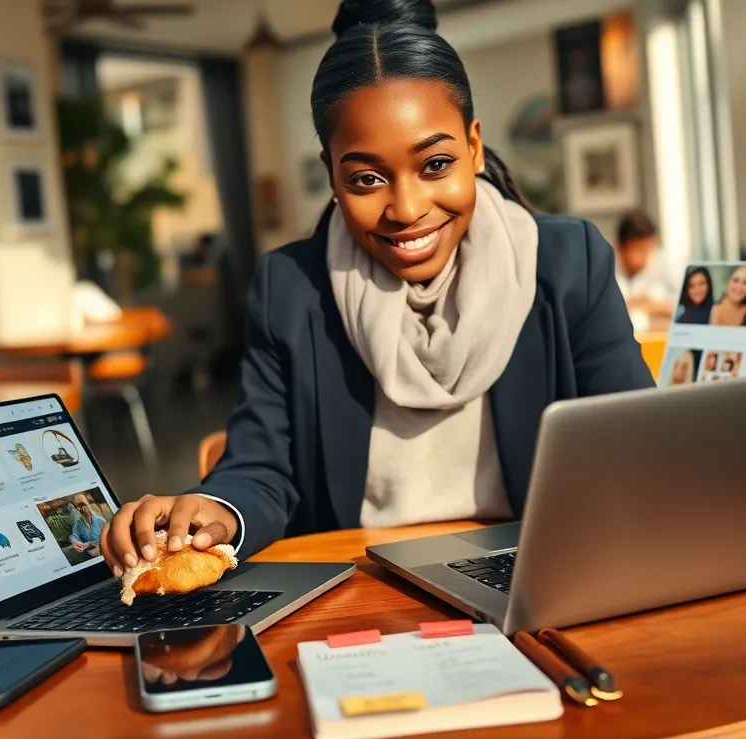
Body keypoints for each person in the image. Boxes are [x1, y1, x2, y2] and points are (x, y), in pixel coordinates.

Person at [99, 0, 653, 571]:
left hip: (543, 576)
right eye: (366, 178)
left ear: (475, 147)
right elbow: (261, 466)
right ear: (332, 174)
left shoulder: (567, 263)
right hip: (362, 589)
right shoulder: (292, 288)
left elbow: (638, 444)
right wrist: (216, 513)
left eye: (436, 164)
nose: (407, 209)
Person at [613, 211, 680, 330]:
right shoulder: (605, 269)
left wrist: (651, 305)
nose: (646, 255)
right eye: (639, 249)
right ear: (620, 247)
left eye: (649, 248)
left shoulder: (664, 263)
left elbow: (682, 308)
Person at [69, 492, 106, 557]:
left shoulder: (99, 520)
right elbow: (73, 536)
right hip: (88, 554)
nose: (80, 509)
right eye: (77, 506)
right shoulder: (78, 524)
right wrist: (76, 543)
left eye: (82, 505)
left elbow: (107, 538)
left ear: (90, 504)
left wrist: (90, 544)